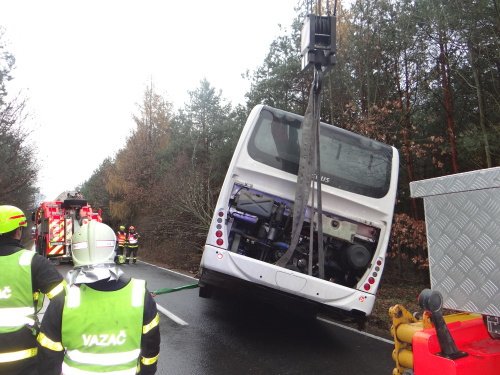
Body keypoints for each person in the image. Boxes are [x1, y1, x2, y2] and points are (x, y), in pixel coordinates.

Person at [37, 221, 160, 375]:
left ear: (75, 252)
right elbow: (151, 348)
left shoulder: (64, 298)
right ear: (113, 249)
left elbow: (48, 352)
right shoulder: (140, 293)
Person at [0, 205, 65, 375]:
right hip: (24, 358)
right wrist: (46, 336)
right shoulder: (33, 262)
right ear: (18, 231)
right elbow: (64, 302)